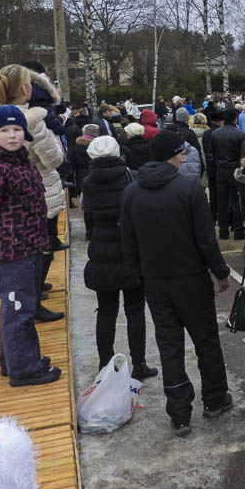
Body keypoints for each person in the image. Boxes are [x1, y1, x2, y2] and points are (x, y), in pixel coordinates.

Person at [120, 130, 234, 437]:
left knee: (169, 347)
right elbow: (205, 239)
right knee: (206, 341)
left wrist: (141, 276)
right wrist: (221, 272)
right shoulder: (189, 188)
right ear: (171, 156)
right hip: (191, 280)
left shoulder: (131, 192)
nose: (184, 157)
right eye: (181, 153)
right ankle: (215, 399)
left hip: (156, 283)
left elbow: (127, 241)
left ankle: (180, 413)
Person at [0, 105, 60, 386]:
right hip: (12, 252)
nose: (12, 136)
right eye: (5, 130)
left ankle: (15, 360)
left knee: (19, 308)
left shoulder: (22, 161)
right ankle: (24, 369)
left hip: (30, 247)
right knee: (19, 309)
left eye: (17, 129)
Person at [0, 64, 66, 323]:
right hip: (35, 190)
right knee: (42, 247)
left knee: (24, 256)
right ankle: (33, 301)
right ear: (25, 89)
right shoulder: (29, 120)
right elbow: (53, 159)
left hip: (10, 203)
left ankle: (30, 296)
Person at [80, 135, 158, 379]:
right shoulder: (131, 177)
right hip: (129, 249)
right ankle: (139, 364)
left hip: (101, 250)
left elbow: (89, 216)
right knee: (135, 310)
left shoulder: (88, 183)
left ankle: (105, 364)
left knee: (106, 310)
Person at [210, 108, 245, 240]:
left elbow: (210, 154)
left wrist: (215, 169)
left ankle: (223, 230)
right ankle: (238, 230)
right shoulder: (240, 134)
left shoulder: (215, 134)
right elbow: (242, 155)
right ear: (235, 118)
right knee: (236, 201)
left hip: (220, 170)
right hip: (234, 170)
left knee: (222, 201)